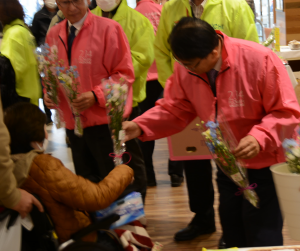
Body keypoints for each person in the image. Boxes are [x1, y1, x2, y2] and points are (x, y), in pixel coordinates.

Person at [123, 17, 300, 247]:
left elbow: (287, 112)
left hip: (264, 165)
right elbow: (175, 108)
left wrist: (259, 137)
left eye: (192, 65)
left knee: (261, 234)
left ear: (214, 52)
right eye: (182, 63)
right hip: (227, 164)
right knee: (232, 229)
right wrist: (140, 125)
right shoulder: (188, 66)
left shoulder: (259, 59)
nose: (186, 69)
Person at [151, 0, 260, 241]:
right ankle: (203, 218)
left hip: (232, 103)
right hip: (192, 99)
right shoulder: (171, 8)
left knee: (234, 164)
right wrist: (180, 89)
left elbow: (250, 49)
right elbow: (161, 50)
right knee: (194, 163)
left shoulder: (233, 6)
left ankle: (240, 228)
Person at [44, 0, 146, 201]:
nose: (72, 8)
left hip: (105, 122)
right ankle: (100, 228)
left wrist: (96, 95)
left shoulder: (109, 29)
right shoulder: (54, 34)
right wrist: (50, 93)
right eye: (65, 2)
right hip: (74, 124)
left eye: (77, 1)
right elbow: (50, 73)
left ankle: (127, 227)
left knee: (116, 179)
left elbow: (124, 74)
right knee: (86, 182)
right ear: (57, 4)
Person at [4, 102, 134, 244]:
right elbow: (98, 197)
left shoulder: (7, 170)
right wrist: (124, 170)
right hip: (75, 239)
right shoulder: (41, 166)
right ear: (34, 132)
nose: (46, 135)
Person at [0, 0, 41, 106]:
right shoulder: (25, 31)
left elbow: (9, 72)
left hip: (19, 101)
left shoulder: (13, 34)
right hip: (31, 96)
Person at [31, 0, 59, 125]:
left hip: (61, 53)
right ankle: (48, 115)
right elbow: (35, 37)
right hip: (45, 53)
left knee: (64, 83)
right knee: (46, 84)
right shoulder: (38, 16)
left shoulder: (62, 13)